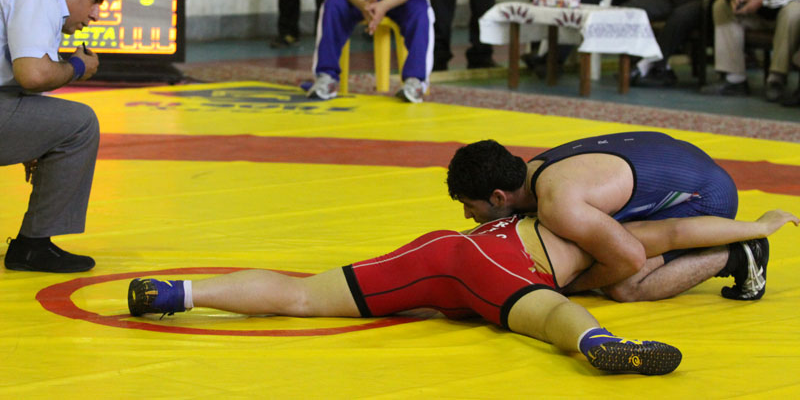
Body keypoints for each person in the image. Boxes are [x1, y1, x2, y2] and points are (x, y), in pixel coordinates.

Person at [127, 208, 798, 375]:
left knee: (301, 296)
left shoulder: (545, 207)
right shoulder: (602, 228)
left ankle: (176, 292)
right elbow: (675, 230)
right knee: (555, 312)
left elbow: (675, 229)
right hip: (501, 275)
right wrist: (757, 226)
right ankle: (601, 343)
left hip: (444, 250)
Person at [446, 132, 768, 302]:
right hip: (682, 158)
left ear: (498, 197)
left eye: (469, 206)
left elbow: (629, 258)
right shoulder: (534, 170)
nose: (467, 215)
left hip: (708, 197)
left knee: (624, 286)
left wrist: (566, 289)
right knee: (602, 244)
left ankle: (738, 255)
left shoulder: (558, 205)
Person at [0, 0, 117, 272]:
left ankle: (33, 245)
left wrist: (35, 140)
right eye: (94, 0)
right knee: (80, 124)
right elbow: (34, 75)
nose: (95, 15)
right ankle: (33, 246)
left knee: (60, 123)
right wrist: (77, 67)